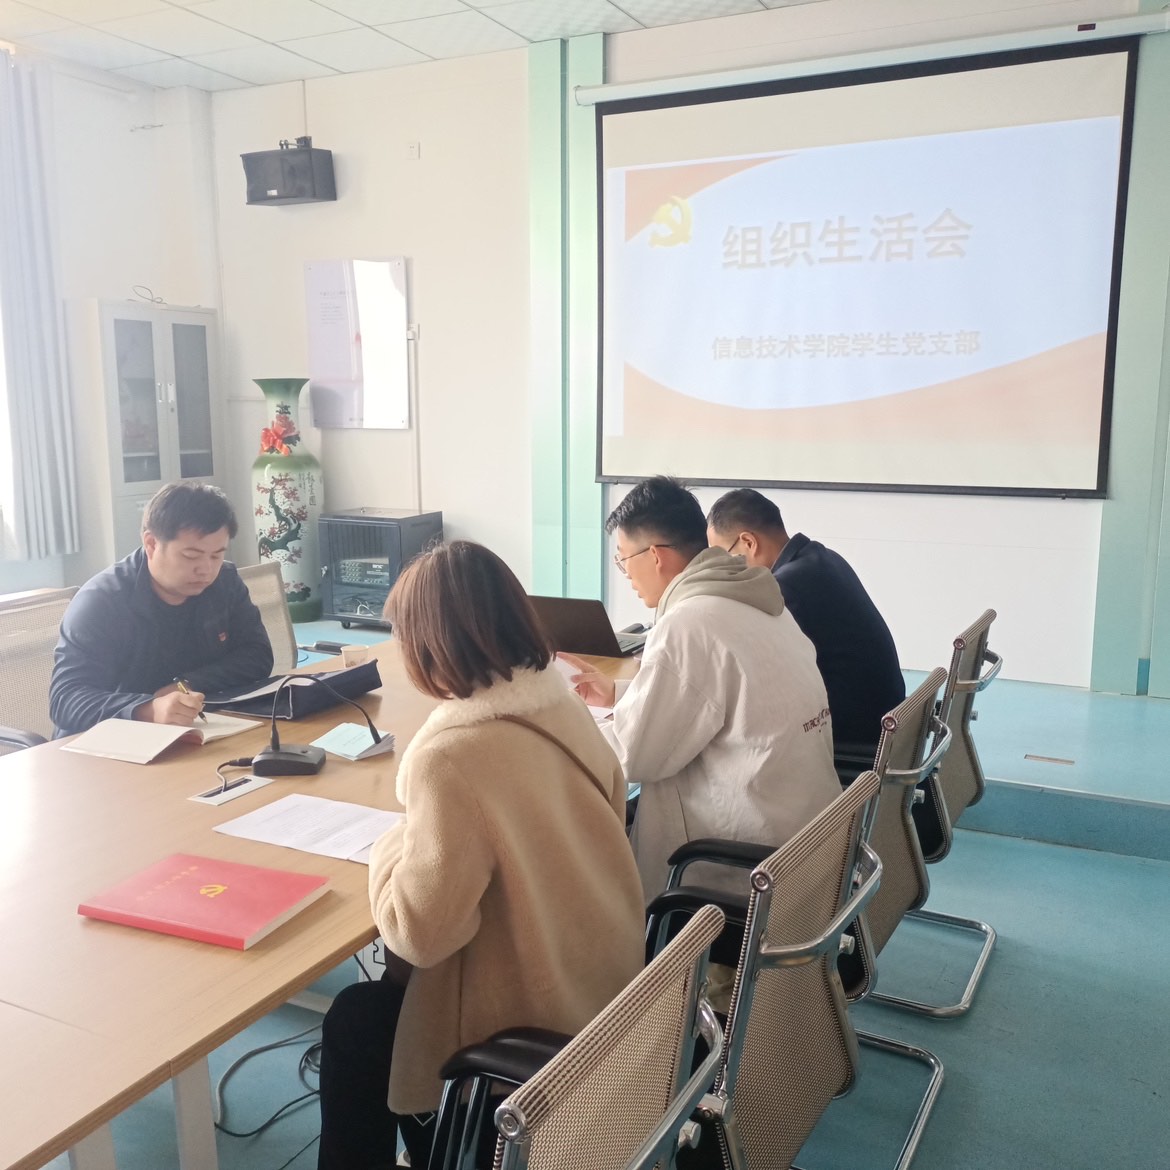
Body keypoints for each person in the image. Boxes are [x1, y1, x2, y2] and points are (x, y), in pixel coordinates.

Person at [316, 541, 645, 1170]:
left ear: (429, 646)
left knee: (358, 1021)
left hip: (522, 1040)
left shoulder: (452, 757)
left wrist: (391, 844)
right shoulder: (563, 706)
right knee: (369, 1015)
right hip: (600, 998)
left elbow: (418, 935)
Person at [568, 476, 840, 900]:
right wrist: (620, 695)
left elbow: (632, 756)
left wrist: (560, 725)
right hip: (807, 848)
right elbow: (707, 697)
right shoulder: (757, 599)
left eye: (623, 560)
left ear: (655, 555)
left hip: (743, 868)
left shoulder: (689, 622)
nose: (627, 576)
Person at [49, 482, 274, 736]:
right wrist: (148, 709)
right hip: (105, 744)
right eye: (191, 556)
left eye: (216, 555)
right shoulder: (101, 602)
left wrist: (187, 685)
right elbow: (66, 699)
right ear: (152, 544)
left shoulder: (225, 582)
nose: (206, 569)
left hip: (192, 732)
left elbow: (258, 655)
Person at [706, 488, 905, 753]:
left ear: (748, 542)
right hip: (886, 721)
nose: (724, 570)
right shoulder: (823, 558)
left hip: (856, 740)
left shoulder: (785, 589)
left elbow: (761, 678)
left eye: (723, 557)